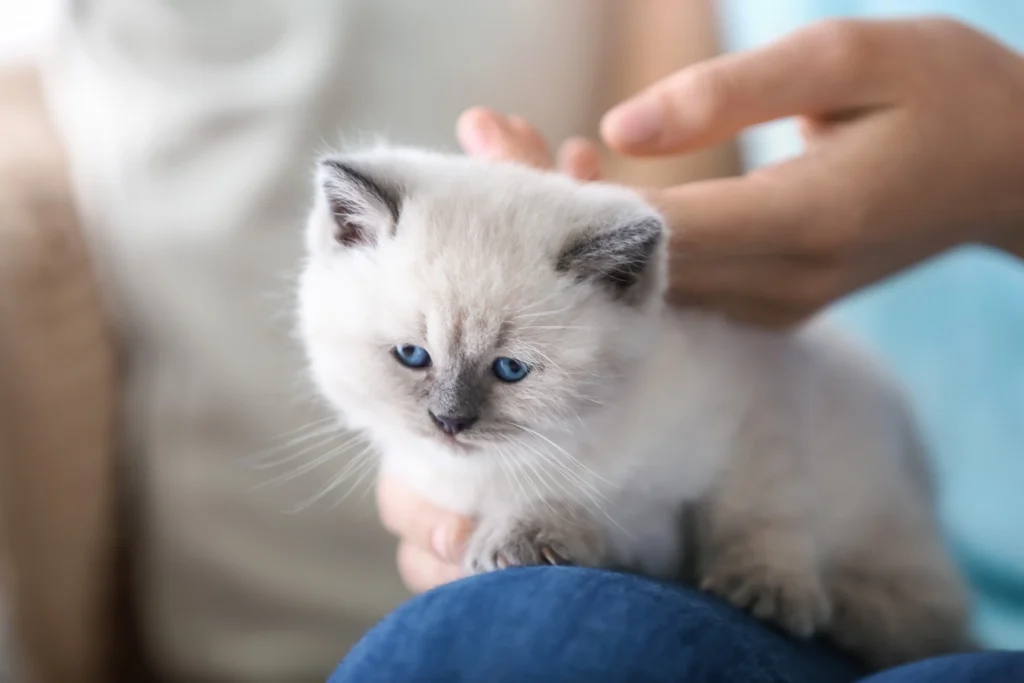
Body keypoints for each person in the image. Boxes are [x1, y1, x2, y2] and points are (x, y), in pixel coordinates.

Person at [343, 16, 1024, 683]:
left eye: (510, 371)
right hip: (729, 583)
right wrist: (553, 231)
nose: (449, 413)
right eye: (412, 357)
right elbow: (669, 253)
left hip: (895, 579)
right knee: (503, 629)